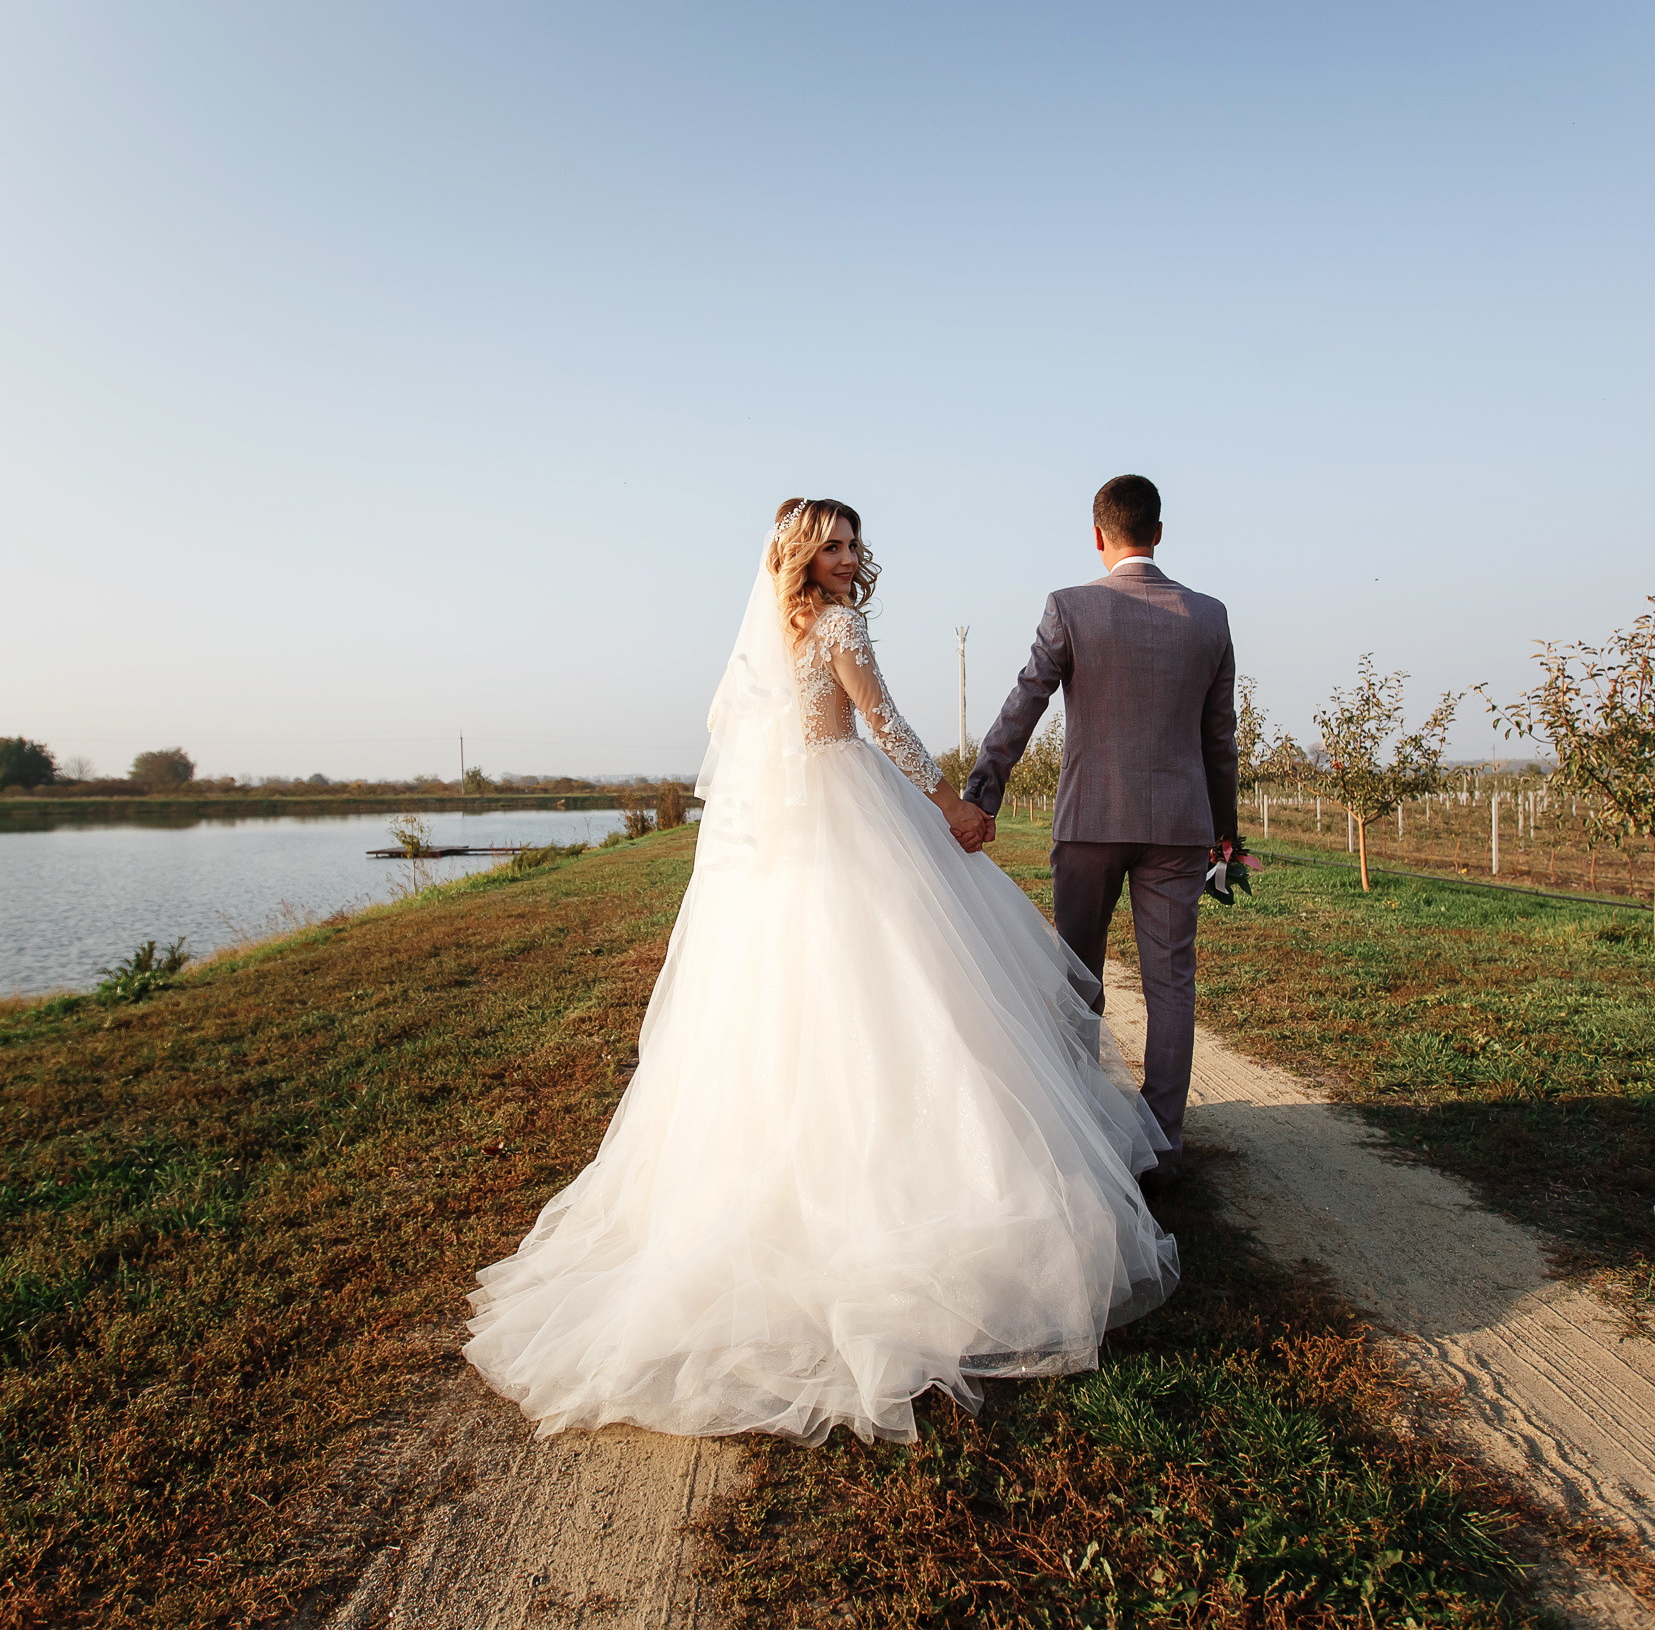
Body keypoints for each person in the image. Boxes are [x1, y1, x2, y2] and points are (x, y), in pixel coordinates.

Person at [463, 498, 1178, 1446]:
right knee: (903, 990)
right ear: (801, 556)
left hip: (799, 833)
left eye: (851, 545)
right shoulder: (840, 625)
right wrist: (952, 808)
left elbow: (753, 736)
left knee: (800, 1005)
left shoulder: (779, 632)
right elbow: (888, 726)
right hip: (853, 815)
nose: (846, 560)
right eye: (830, 546)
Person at [964, 475, 1238, 1191]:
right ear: (1158, 531)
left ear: (1098, 534)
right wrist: (1226, 832)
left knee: (1078, 977)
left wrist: (982, 791)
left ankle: (1078, 1125)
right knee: (1171, 981)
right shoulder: (1210, 617)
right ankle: (1164, 1144)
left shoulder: (1071, 608)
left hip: (1089, 821)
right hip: (1181, 826)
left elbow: (1024, 701)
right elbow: (1220, 739)